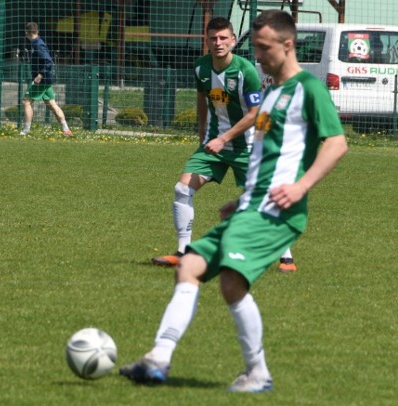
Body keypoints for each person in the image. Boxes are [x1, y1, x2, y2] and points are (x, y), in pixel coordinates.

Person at [121, 10, 348, 392]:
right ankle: (157, 359)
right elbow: (267, 155)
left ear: (287, 45)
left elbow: (337, 143)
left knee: (230, 281)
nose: (257, 56)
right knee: (190, 265)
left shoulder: (309, 88)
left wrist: (301, 187)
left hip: (279, 211)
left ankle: (257, 373)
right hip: (252, 206)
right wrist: (242, 197)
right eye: (255, 48)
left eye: (264, 48)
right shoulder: (273, 93)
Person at [151, 17, 297, 273]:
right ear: (206, 41)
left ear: (232, 40)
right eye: (212, 38)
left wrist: (224, 138)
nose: (218, 43)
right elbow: (201, 99)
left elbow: (255, 113)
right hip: (213, 146)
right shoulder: (201, 68)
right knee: (182, 189)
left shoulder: (246, 71)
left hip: (248, 147)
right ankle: (183, 251)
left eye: (223, 38)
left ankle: (285, 257)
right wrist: (203, 136)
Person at [20, 22, 73, 136]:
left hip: (41, 80)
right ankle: (66, 129)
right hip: (46, 80)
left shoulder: (38, 45)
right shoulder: (36, 43)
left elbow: (49, 62)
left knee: (26, 101)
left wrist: (40, 75)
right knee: (52, 104)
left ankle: (26, 130)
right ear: (37, 31)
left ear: (26, 32)